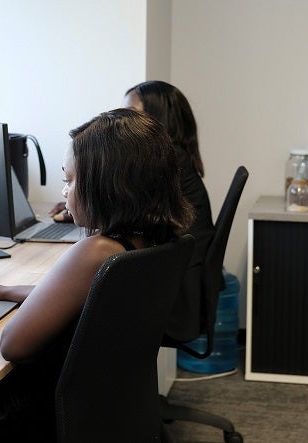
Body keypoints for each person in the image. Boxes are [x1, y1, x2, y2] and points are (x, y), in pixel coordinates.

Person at [0, 108, 194, 441]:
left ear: (107, 186)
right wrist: (4, 291)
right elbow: (85, 299)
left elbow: (13, 345)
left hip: (52, 420)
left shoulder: (95, 252)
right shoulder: (154, 239)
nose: (64, 192)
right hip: (110, 416)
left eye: (70, 180)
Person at [54, 80, 214, 342]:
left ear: (156, 118)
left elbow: (14, 344)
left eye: (131, 113)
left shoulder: (165, 161)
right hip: (176, 289)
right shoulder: (174, 160)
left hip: (175, 299)